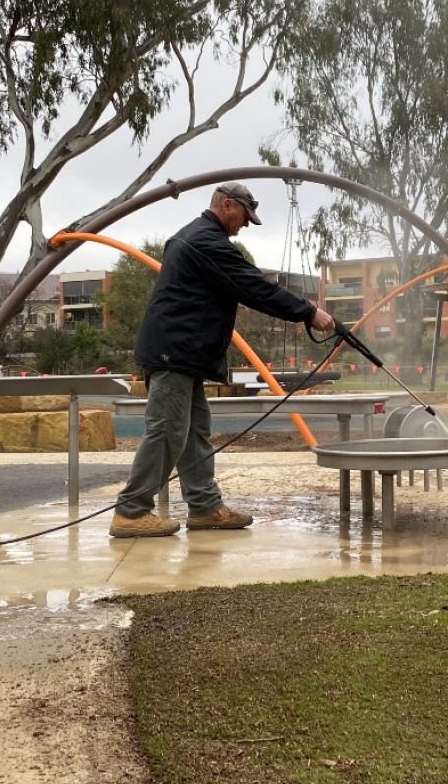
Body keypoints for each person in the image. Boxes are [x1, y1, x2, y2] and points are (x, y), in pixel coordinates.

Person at [110, 182, 335, 538]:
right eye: (245, 216)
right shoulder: (205, 241)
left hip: (184, 355)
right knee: (167, 430)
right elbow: (255, 286)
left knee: (196, 430)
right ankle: (131, 511)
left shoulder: (196, 238)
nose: (246, 224)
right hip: (174, 353)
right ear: (228, 205)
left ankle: (204, 507)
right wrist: (307, 312)